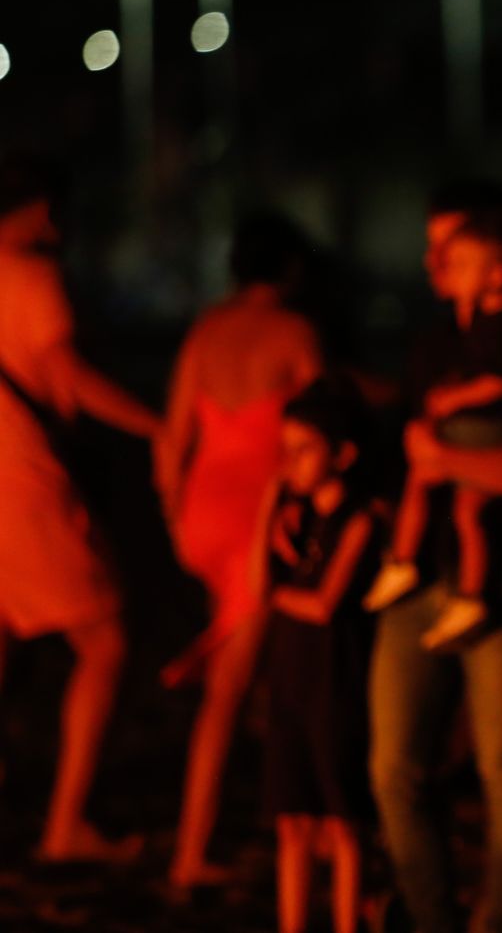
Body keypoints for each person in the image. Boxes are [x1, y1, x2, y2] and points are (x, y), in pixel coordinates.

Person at [367, 180, 502, 933]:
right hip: (421, 575)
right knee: (394, 767)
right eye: (433, 247)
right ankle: (429, 913)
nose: (435, 261)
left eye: (453, 246)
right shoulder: (431, 348)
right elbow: (409, 448)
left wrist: (447, 463)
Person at [0, 155, 162, 862]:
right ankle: (66, 827)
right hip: (22, 474)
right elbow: (68, 375)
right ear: (38, 208)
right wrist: (160, 427)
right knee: (106, 641)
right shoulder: (31, 276)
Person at [156, 213, 323, 887]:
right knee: (229, 689)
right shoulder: (295, 333)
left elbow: (172, 441)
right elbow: (322, 418)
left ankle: (262, 822)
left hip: (202, 517)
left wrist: (175, 523)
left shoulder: (204, 332)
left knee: (248, 671)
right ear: (290, 270)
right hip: (257, 522)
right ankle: (191, 852)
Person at [365, 214, 502, 652]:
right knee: (448, 500)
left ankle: (464, 590)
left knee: (465, 509)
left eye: (459, 262)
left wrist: (453, 401)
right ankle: (411, 563)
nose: (442, 268)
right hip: (465, 443)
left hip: (485, 443)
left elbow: (499, 381)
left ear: (497, 274)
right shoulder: (452, 336)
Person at [260, 378, 380, 933]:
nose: (292, 463)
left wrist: (279, 595)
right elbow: (253, 584)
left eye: (304, 449)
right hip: (290, 681)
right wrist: (267, 509)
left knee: (342, 824)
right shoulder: (294, 522)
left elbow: (326, 603)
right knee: (292, 821)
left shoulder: (359, 520)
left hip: (335, 686)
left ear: (343, 454)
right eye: (286, 449)